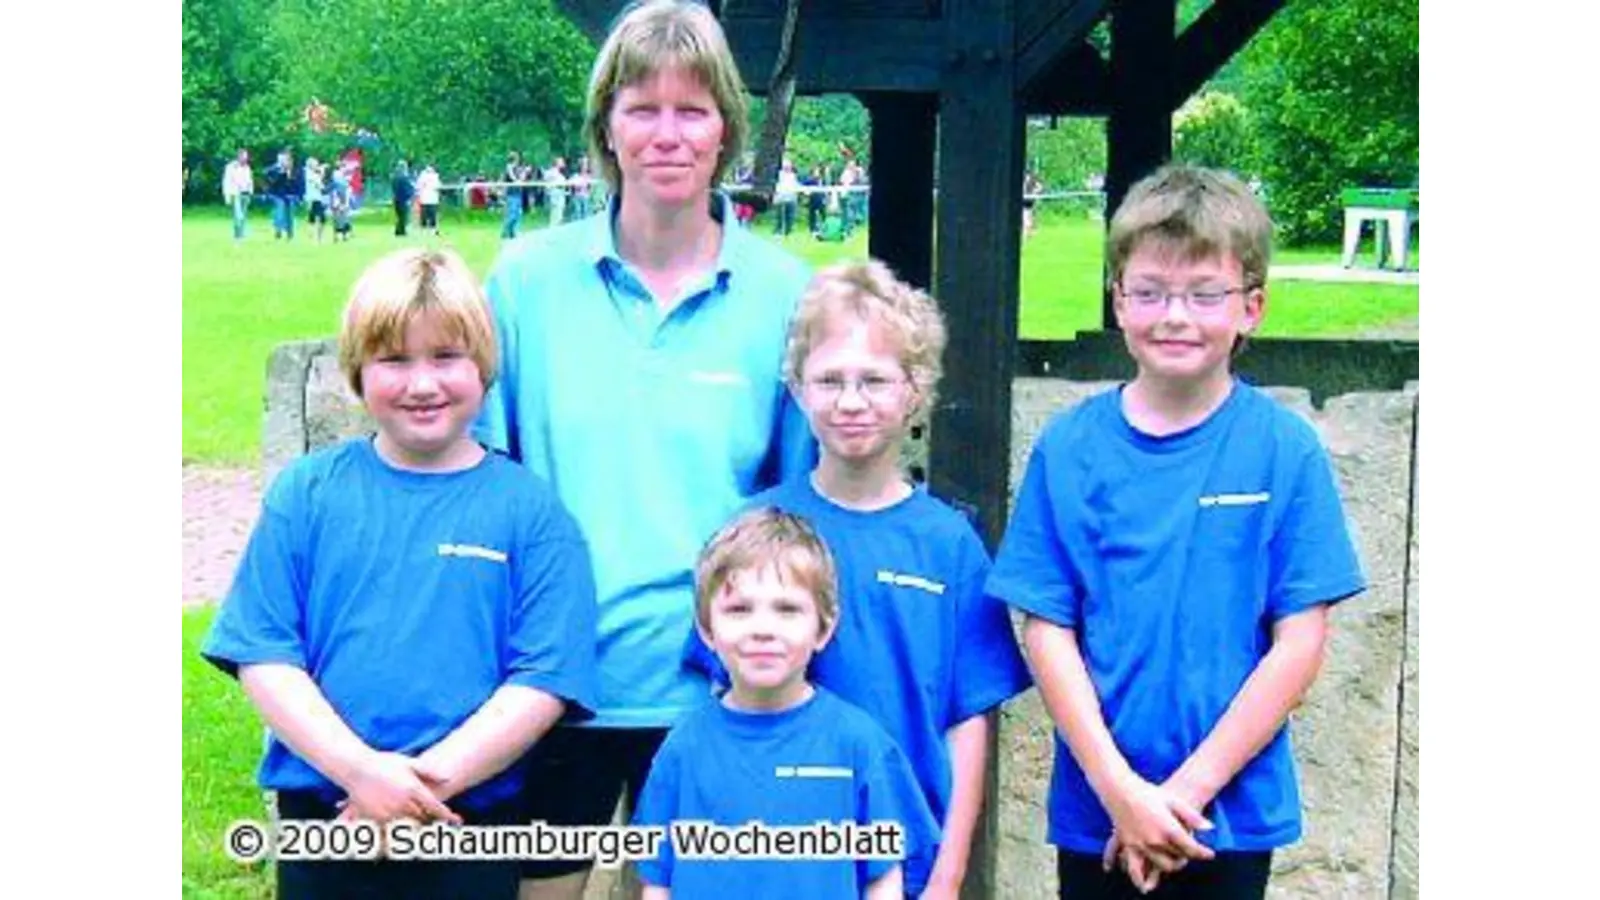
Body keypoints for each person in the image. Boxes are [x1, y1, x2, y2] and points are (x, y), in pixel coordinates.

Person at [471, 1, 817, 896]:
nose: (668, 133)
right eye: (642, 107)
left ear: (727, 132)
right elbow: (480, 484)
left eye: (693, 109)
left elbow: (797, 503)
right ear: (606, 128)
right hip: (550, 683)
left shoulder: (785, 293)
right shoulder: (525, 283)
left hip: (717, 692)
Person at [985, 164, 1367, 900]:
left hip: (1228, 813)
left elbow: (1300, 641)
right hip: (1099, 814)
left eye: (1204, 294)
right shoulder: (1071, 449)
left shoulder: (1284, 450)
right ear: (1118, 301)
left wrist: (1186, 791)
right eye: (1150, 292)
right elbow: (1045, 628)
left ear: (1251, 307)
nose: (1175, 316)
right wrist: (1121, 791)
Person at [200, 247, 601, 900]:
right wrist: (361, 774)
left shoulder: (530, 511)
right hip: (329, 818)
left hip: (468, 820)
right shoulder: (307, 496)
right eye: (395, 360)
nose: (422, 384)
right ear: (358, 371)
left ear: (484, 368)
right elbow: (264, 652)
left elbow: (545, 678)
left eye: (446, 357)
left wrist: (421, 787)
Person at [682, 260, 1033, 898]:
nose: (850, 401)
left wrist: (949, 875)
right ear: (797, 388)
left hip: (911, 859)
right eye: (830, 379)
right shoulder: (753, 532)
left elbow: (968, 720)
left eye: (874, 380)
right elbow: (721, 707)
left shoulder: (948, 545)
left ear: (915, 390)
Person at [633, 507, 940, 900]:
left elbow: (883, 879)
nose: (763, 629)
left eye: (787, 609)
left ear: (824, 628)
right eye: (740, 609)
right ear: (707, 630)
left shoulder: (858, 745)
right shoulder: (683, 747)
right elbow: (658, 880)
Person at [265, 148, 301, 240]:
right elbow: (272, 182)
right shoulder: (274, 169)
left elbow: (297, 183)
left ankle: (290, 233)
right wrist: (281, 173)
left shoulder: (295, 170)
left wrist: (298, 195)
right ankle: (278, 231)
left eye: (288, 159)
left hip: (290, 195)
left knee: (290, 215)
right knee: (279, 213)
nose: (287, 161)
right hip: (278, 195)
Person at [222, 148, 254, 241]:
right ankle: (237, 235)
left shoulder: (247, 167)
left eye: (246, 156)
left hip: (246, 194)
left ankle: (241, 234)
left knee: (243, 215)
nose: (245, 158)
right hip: (235, 194)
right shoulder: (230, 167)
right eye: (244, 156)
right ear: (239, 156)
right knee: (238, 215)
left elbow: (250, 180)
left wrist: (251, 191)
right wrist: (226, 196)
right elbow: (226, 181)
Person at [772, 156, 799, 237]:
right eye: (785, 166)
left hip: (791, 198)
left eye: (789, 166)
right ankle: (778, 231)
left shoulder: (793, 176)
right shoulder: (778, 175)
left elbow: (796, 185)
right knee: (779, 216)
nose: (787, 167)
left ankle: (788, 232)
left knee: (790, 216)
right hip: (780, 198)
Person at [502, 151, 526, 239]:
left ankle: (513, 232)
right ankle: (505, 232)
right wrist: (519, 180)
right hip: (511, 194)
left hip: (518, 193)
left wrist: (524, 173)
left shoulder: (518, 169)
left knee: (518, 214)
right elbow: (513, 179)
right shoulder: (509, 167)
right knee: (512, 214)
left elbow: (522, 180)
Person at [304, 157, 329, 244]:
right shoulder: (309, 173)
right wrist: (322, 171)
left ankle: (316, 237)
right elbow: (319, 185)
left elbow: (320, 181)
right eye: (315, 164)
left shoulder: (312, 173)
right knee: (320, 218)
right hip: (313, 199)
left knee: (315, 218)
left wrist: (322, 170)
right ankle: (316, 238)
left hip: (317, 198)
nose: (317, 166)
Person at [416, 162, 442, 236]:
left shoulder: (431, 176)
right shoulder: (433, 177)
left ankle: (427, 231)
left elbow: (418, 187)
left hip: (427, 199)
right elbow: (438, 187)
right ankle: (430, 231)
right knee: (430, 216)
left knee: (427, 216)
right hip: (429, 199)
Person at [391, 159, 416, 237]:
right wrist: (411, 194)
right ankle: (401, 231)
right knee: (403, 216)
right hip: (403, 199)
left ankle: (399, 230)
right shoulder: (404, 177)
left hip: (396, 198)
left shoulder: (395, 177)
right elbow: (408, 189)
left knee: (400, 216)